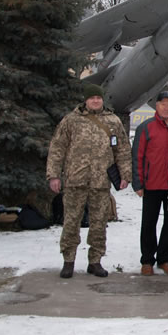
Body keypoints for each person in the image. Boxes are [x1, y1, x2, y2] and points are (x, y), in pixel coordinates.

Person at [47, 83, 130, 279]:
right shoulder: (71, 121)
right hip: (76, 179)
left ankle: (95, 261)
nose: (95, 100)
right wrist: (54, 175)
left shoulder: (113, 121)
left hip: (101, 182)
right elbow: (57, 148)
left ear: (102, 100)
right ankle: (68, 261)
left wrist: (125, 175)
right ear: (85, 100)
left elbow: (123, 150)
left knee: (99, 223)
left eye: (98, 98)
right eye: (92, 98)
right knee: (71, 221)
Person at [132, 90, 168, 276]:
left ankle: (164, 259)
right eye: (163, 103)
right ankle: (147, 260)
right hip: (152, 184)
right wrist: (138, 183)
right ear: (157, 106)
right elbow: (137, 157)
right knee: (149, 222)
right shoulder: (146, 127)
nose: (166, 107)